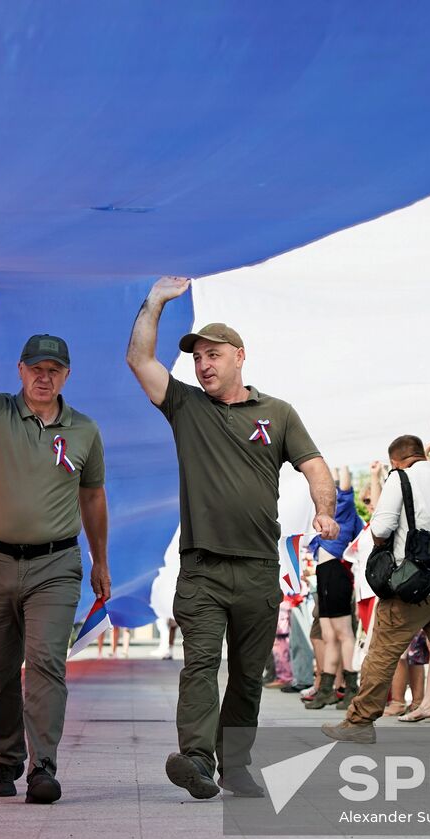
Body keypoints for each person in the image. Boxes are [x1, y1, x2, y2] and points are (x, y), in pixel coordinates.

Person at [127, 275, 337, 799]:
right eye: (198, 357)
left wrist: (325, 511)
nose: (203, 365)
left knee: (247, 675)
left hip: (258, 569)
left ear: (239, 357)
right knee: (199, 663)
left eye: (213, 354)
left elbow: (315, 465)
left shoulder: (278, 413)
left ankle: (235, 764)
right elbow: (139, 360)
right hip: (202, 568)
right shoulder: (185, 406)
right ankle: (196, 758)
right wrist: (153, 302)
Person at [0, 285, 110, 805]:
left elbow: (93, 497)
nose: (44, 376)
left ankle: (44, 767)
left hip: (56, 564)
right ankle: (5, 759)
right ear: (20, 370)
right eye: (35, 367)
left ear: (66, 375)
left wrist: (99, 560)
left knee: (44, 663)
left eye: (53, 369)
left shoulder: (84, 430)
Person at [322, 434, 430, 744]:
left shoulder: (400, 479)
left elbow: (381, 527)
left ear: (396, 461)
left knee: (382, 653)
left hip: (411, 585)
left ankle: (359, 721)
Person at [303, 466, 365, 710]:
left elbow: (346, 489)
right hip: (324, 573)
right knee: (328, 634)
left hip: (337, 572)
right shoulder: (332, 512)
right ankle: (326, 688)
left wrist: (342, 467)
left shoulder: (345, 509)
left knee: (344, 633)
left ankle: (351, 688)